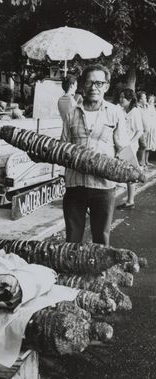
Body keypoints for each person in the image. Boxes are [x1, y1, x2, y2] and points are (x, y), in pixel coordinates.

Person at [61, 64, 127, 246]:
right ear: (83, 85)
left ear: (106, 86)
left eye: (99, 83)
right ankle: (72, 272)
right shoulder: (71, 114)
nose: (94, 87)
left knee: (101, 238)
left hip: (103, 186)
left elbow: (123, 148)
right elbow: (62, 148)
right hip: (75, 183)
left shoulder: (115, 113)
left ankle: (99, 274)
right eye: (89, 82)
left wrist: (134, 171)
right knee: (72, 240)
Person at [117, 88, 144, 210]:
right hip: (122, 146)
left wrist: (130, 143)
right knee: (127, 173)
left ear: (130, 99)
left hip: (130, 147)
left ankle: (130, 201)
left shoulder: (135, 112)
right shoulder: (122, 110)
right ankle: (130, 200)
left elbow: (140, 131)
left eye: (123, 97)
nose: (120, 99)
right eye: (120, 97)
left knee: (130, 173)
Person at [146, 93, 156, 164]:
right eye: (149, 99)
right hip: (148, 127)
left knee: (150, 144)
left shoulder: (153, 107)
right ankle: (144, 161)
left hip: (153, 127)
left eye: (152, 99)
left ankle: (147, 160)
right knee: (146, 144)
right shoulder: (147, 106)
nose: (150, 100)